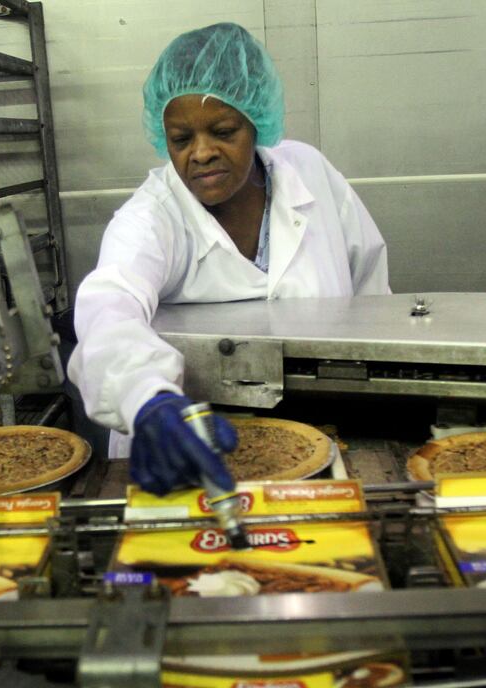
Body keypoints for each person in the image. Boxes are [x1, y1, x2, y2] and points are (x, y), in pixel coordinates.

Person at [68, 22, 390, 497]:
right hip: (192, 448)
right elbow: (108, 307)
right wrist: (147, 401)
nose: (201, 153)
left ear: (256, 120)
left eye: (223, 131)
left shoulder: (310, 174)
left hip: (321, 437)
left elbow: (371, 294)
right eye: (180, 139)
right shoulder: (152, 217)